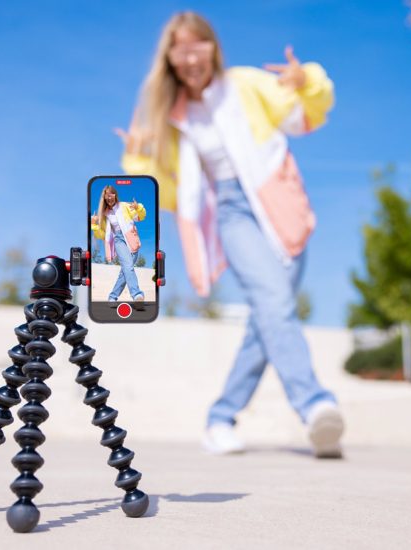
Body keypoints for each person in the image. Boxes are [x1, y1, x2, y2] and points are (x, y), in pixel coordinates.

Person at [116, 11, 344, 457]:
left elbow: (302, 117)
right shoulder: (172, 116)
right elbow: (167, 191)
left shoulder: (245, 84)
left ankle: (220, 418)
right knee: (275, 304)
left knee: (268, 319)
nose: (190, 56)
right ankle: (316, 406)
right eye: (180, 49)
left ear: (212, 48)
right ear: (170, 59)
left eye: (197, 45)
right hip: (232, 212)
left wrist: (307, 81)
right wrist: (140, 160)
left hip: (281, 204)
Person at [91, 185, 146, 302]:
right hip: (118, 240)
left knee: (125, 270)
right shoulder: (105, 214)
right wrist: (94, 225)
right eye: (107, 197)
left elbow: (140, 217)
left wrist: (138, 208)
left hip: (131, 238)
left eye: (111, 195)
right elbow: (101, 234)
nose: (109, 198)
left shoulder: (125, 206)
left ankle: (112, 297)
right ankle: (136, 295)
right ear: (105, 199)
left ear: (115, 195)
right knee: (128, 266)